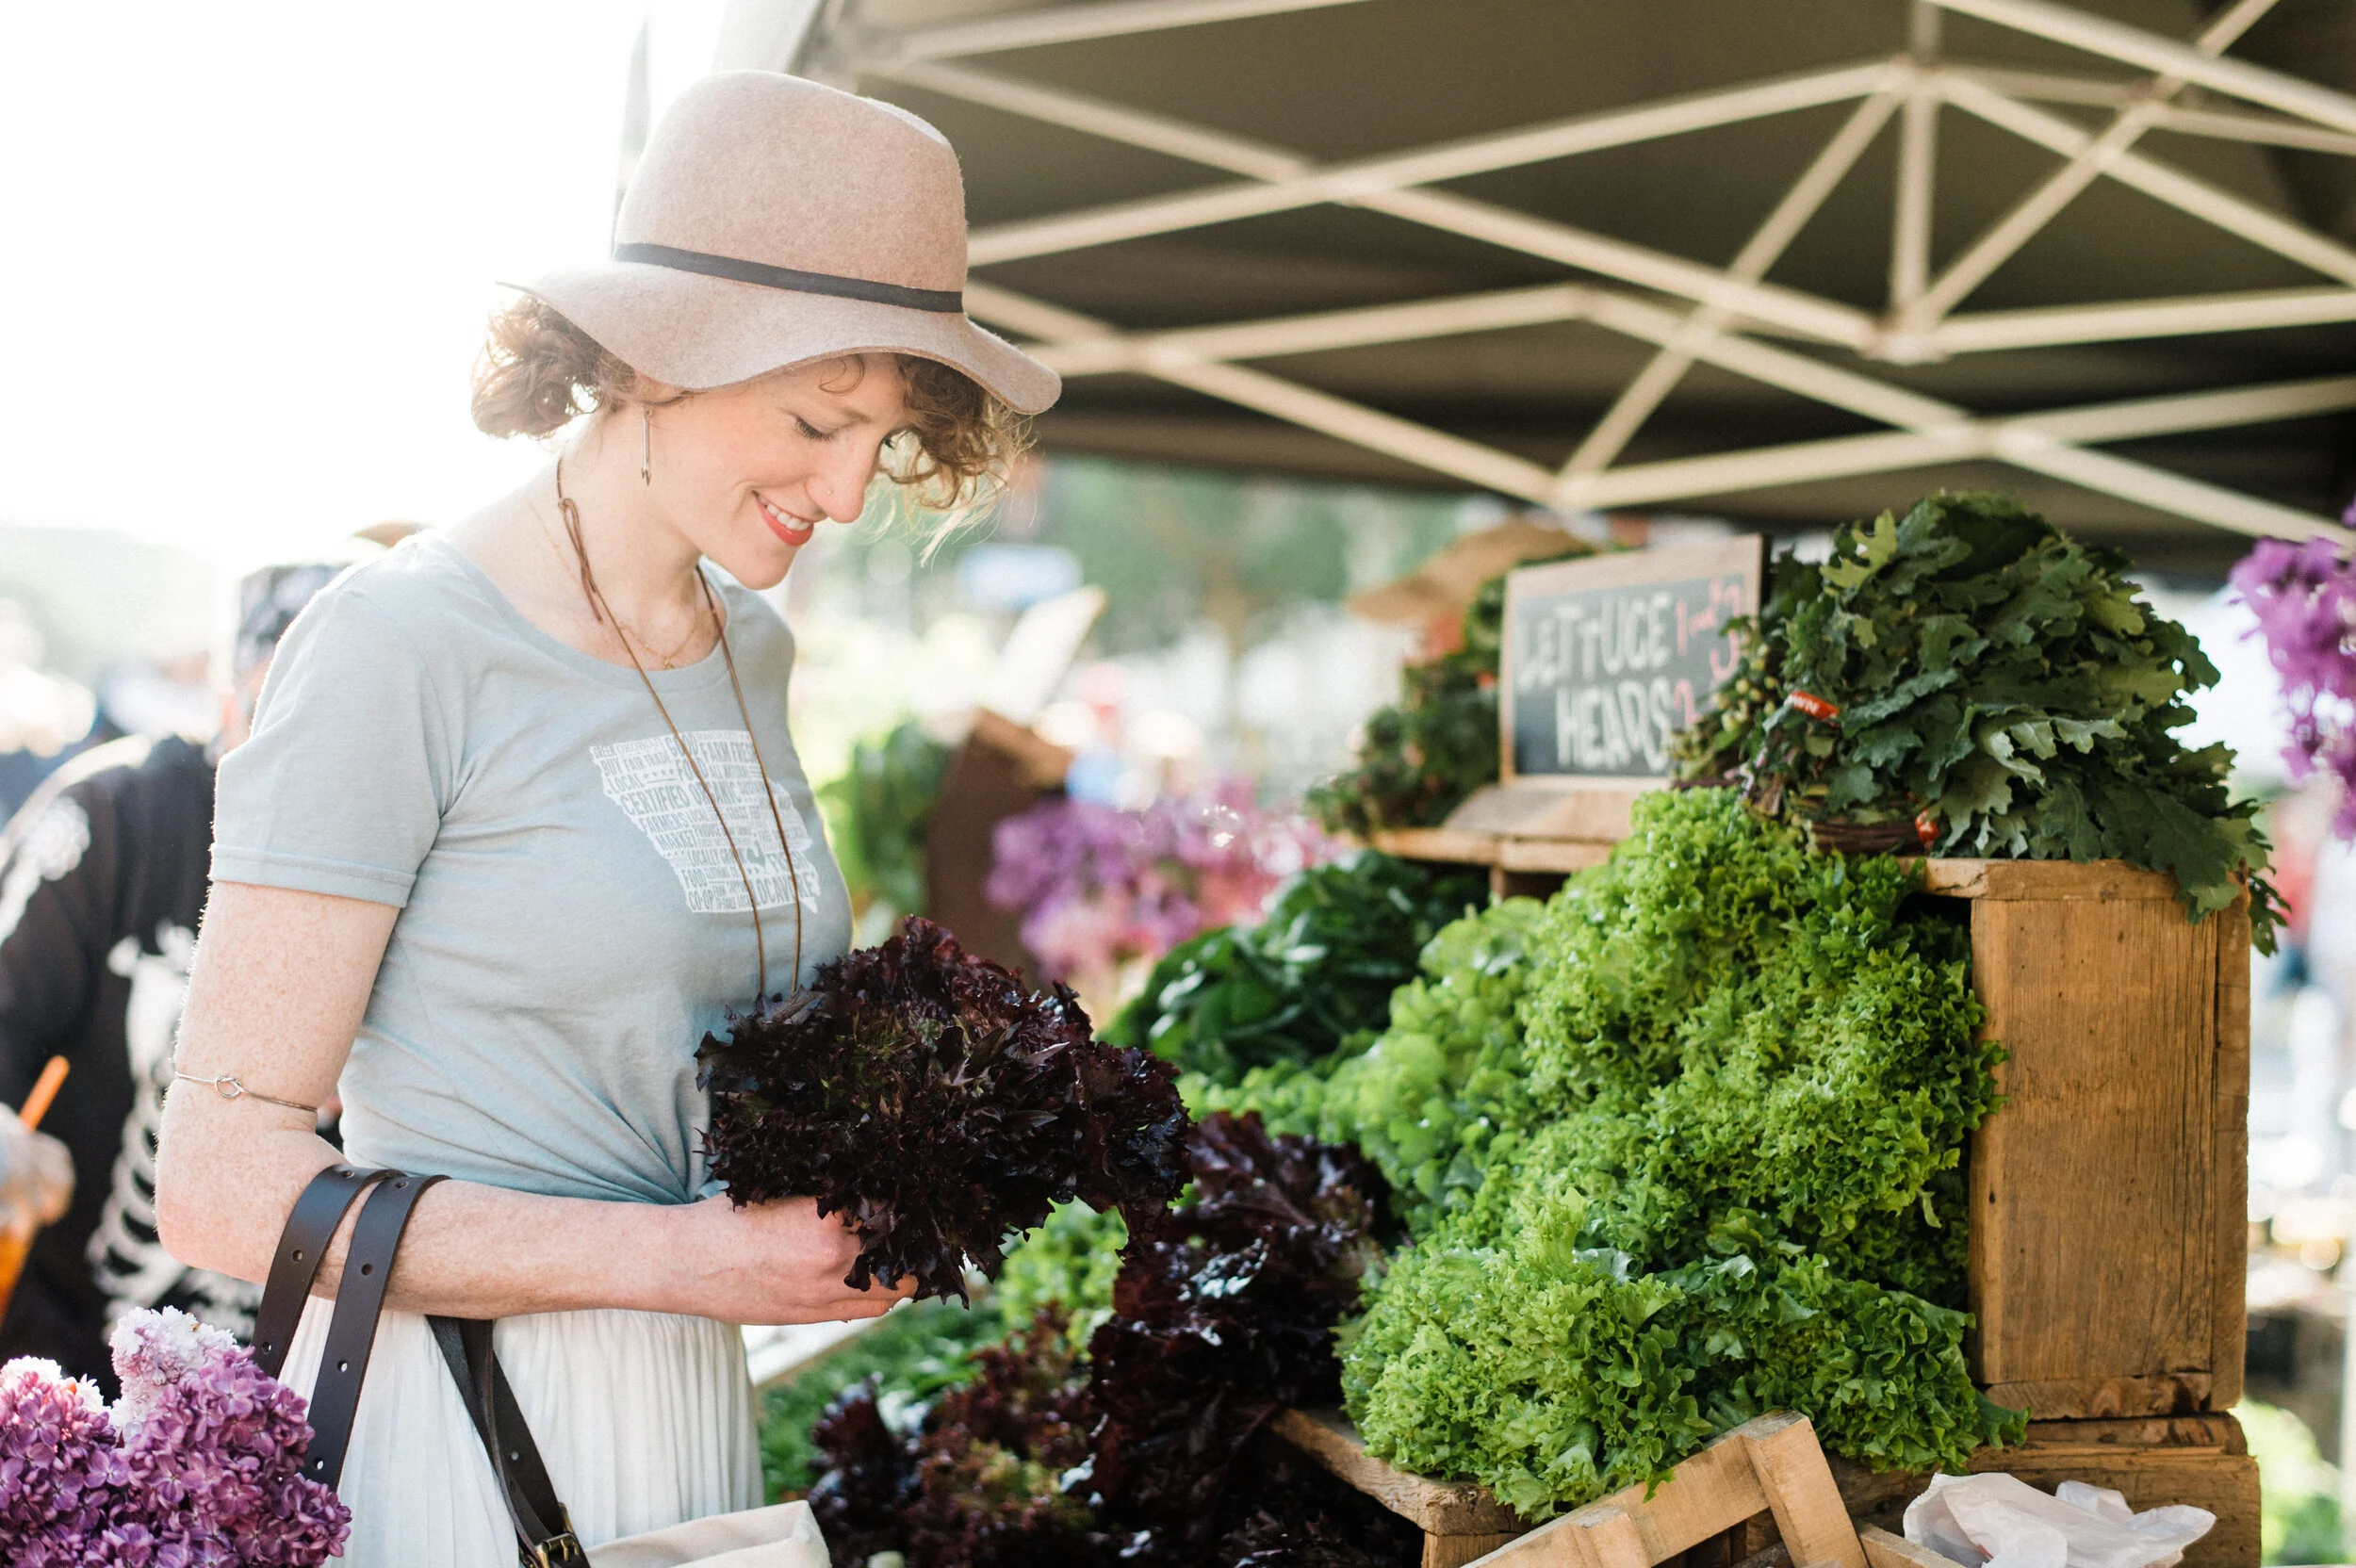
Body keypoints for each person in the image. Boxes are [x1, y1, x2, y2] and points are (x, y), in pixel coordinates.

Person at [155, 71, 1059, 1565]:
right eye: (817, 420)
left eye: (883, 440)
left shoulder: (753, 648)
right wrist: (686, 1261)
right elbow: (217, 1183)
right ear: (655, 359)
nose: (847, 495)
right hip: (465, 1427)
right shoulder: (399, 645)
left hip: (699, 1416)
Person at [0, 563, 343, 1385]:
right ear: (228, 708)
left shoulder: (433, 857)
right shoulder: (116, 815)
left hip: (307, 1386)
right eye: (276, 712)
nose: (307, 755)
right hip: (66, 1362)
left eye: (344, 724)